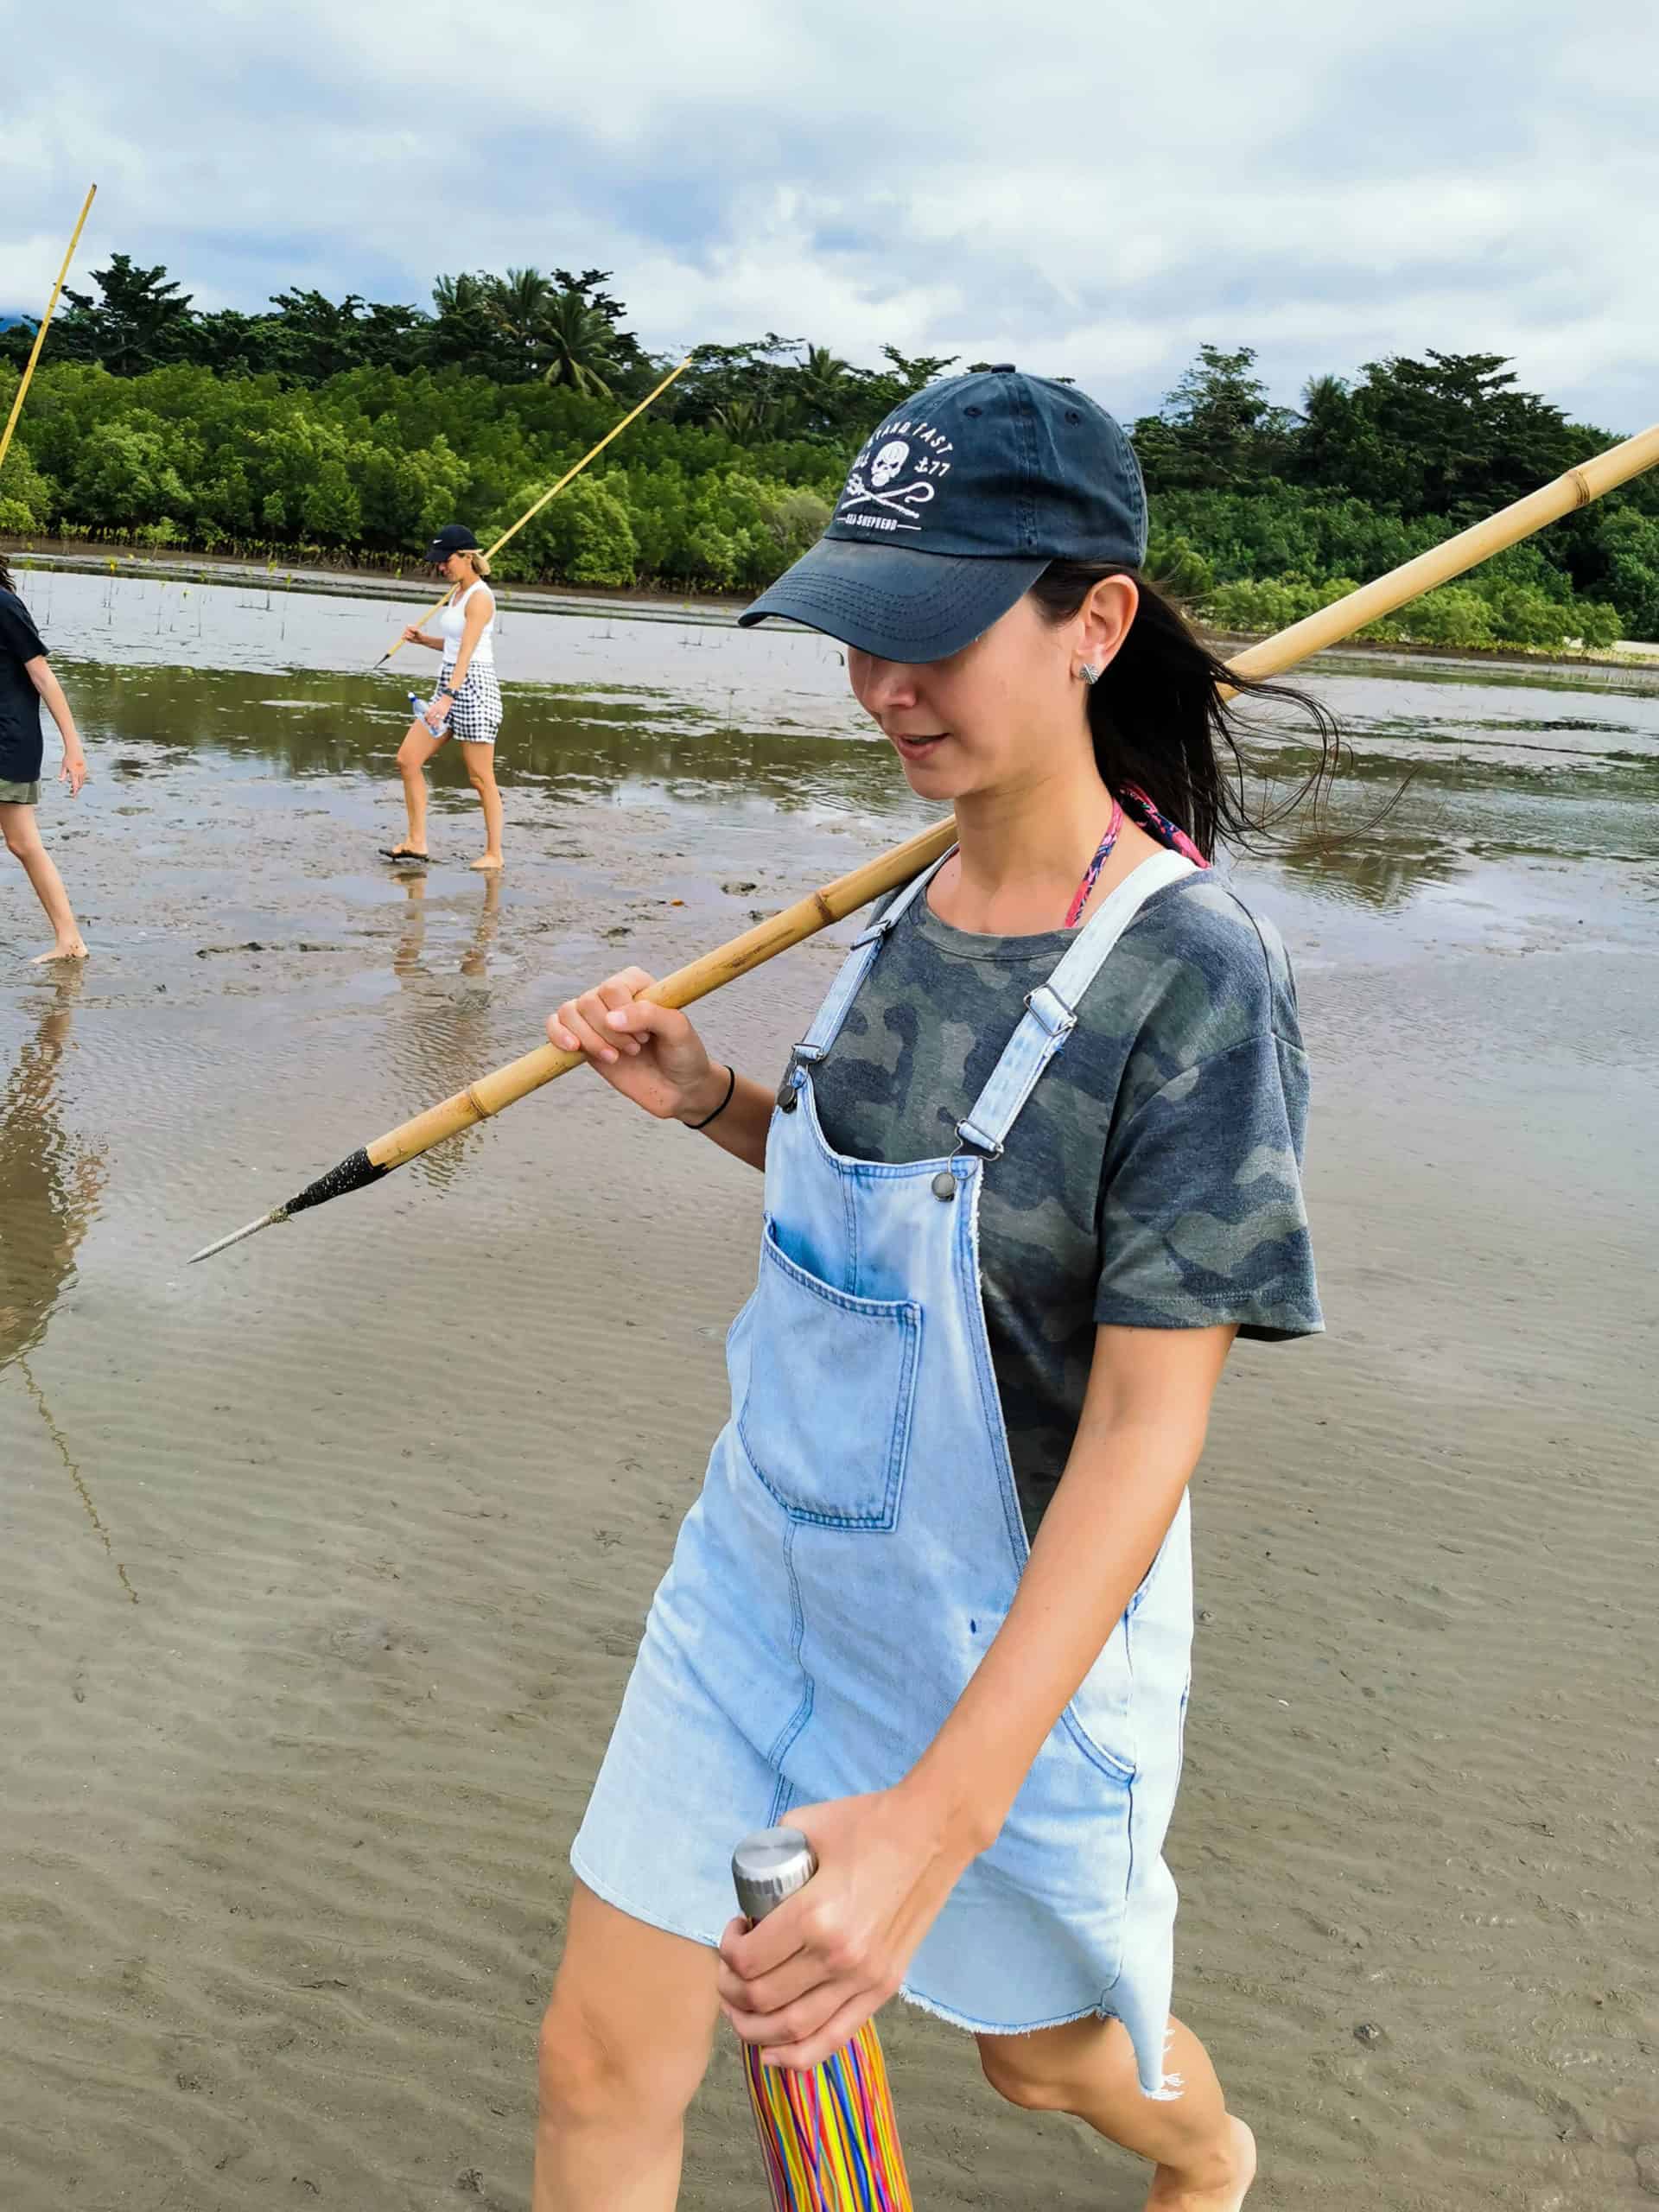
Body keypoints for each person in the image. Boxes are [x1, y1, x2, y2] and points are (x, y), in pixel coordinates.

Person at [535, 368, 1331, 2212]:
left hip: (1010, 1631)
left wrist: (933, 1816)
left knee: (1043, 2057)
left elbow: (1147, 1422)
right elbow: (902, 1220)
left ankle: (1209, 2152)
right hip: (761, 1568)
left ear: (1094, 620)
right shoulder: (899, 905)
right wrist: (716, 1099)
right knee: (598, 2062)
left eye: (932, 636)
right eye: (860, 636)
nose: (886, 687)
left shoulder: (1192, 977)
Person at [384, 524, 505, 870]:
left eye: (446, 560)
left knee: (481, 778)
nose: (441, 567)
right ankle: (416, 842)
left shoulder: (481, 597)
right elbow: (453, 645)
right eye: (438, 562)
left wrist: (448, 697)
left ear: (467, 557)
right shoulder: (456, 594)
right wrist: (425, 641)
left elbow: (468, 652)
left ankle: (494, 854)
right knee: (407, 759)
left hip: (474, 689)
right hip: (449, 684)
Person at [0, 554, 89, 961]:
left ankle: (70, 940)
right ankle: (69, 939)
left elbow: (43, 676)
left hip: (9, 741)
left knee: (23, 842)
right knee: (23, 843)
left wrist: (73, 746)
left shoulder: (4, 605)